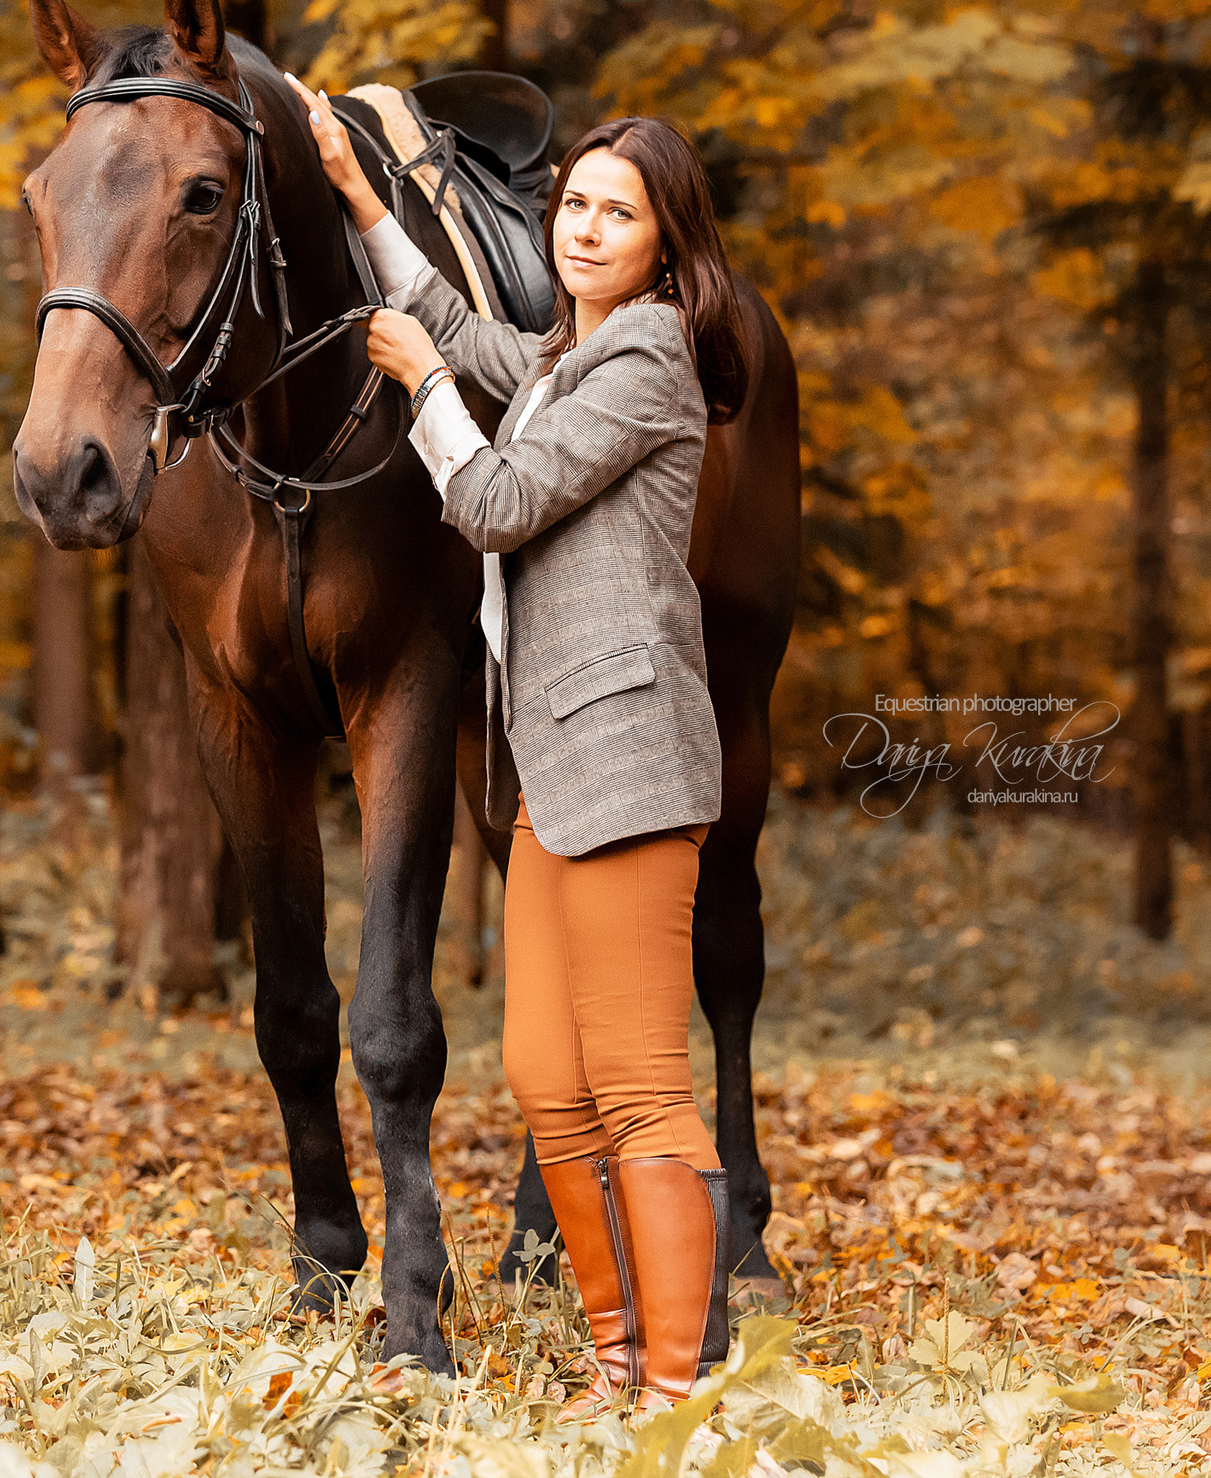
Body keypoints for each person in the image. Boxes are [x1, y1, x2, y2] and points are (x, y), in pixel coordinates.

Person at [287, 76, 754, 1421]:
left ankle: (679, 1381)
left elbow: (491, 500)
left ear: (669, 242)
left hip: (630, 764)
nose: (588, 227)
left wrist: (426, 386)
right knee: (549, 1079)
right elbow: (452, 324)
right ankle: (616, 1355)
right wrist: (368, 196)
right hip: (549, 771)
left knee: (642, 1086)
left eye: (622, 212)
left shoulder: (649, 358)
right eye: (576, 204)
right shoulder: (565, 355)